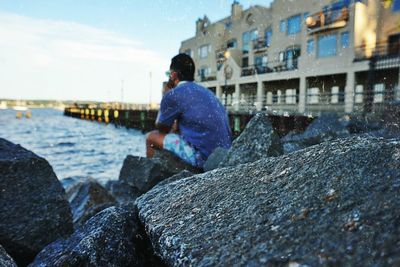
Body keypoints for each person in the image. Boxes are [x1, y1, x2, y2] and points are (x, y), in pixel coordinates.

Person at [146, 53, 232, 169]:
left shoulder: (173, 94)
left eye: (169, 73)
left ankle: (149, 179)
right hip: (226, 156)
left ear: (173, 75)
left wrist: (166, 94)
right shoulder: (207, 92)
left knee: (152, 137)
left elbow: (162, 128)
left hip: (204, 159)